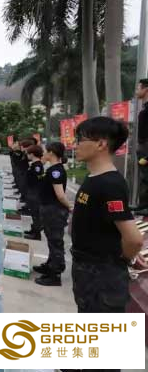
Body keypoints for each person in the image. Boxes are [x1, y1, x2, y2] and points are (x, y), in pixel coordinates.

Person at [71, 117, 144, 313]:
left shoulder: (110, 184)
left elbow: (134, 239)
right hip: (88, 273)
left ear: (101, 144)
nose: (75, 145)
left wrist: (122, 259)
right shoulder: (94, 178)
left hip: (102, 278)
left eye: (80, 140)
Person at [29, 142, 71, 286]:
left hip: (54, 210)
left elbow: (60, 195)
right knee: (51, 240)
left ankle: (55, 273)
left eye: (46, 151)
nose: (44, 154)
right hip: (49, 209)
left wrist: (70, 206)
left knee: (55, 242)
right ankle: (50, 264)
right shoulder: (53, 169)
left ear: (52, 153)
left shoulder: (56, 171)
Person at [23, 145, 45, 241]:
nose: (27, 155)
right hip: (32, 191)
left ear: (32, 154)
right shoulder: (34, 164)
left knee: (36, 214)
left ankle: (37, 234)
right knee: (33, 213)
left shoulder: (37, 166)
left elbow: (38, 179)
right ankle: (34, 230)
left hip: (35, 192)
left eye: (28, 153)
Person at [134, 78, 148, 214]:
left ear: (146, 89)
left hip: (146, 148)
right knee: (144, 177)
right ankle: (142, 205)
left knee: (146, 177)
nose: (136, 91)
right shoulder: (145, 109)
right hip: (143, 147)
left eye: (138, 88)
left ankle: (145, 206)